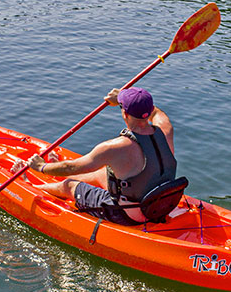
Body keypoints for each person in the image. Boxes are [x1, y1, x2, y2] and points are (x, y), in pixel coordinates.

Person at [16, 87, 177, 225]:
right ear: (147, 112)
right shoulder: (165, 128)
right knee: (103, 173)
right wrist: (125, 97)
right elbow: (156, 112)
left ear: (125, 114)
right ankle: (57, 180)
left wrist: (41, 167)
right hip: (161, 203)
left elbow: (71, 167)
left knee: (69, 185)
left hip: (127, 214)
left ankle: (33, 187)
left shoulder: (114, 147)